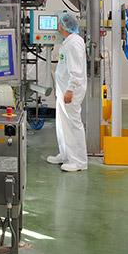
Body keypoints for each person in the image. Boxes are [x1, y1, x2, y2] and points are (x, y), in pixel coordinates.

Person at [47, 12, 88, 172]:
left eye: (59, 23)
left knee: (73, 124)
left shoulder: (73, 44)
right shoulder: (68, 42)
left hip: (71, 91)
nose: (57, 25)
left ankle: (79, 162)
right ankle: (65, 155)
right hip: (64, 90)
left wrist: (70, 89)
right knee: (62, 124)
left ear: (65, 26)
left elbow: (76, 70)